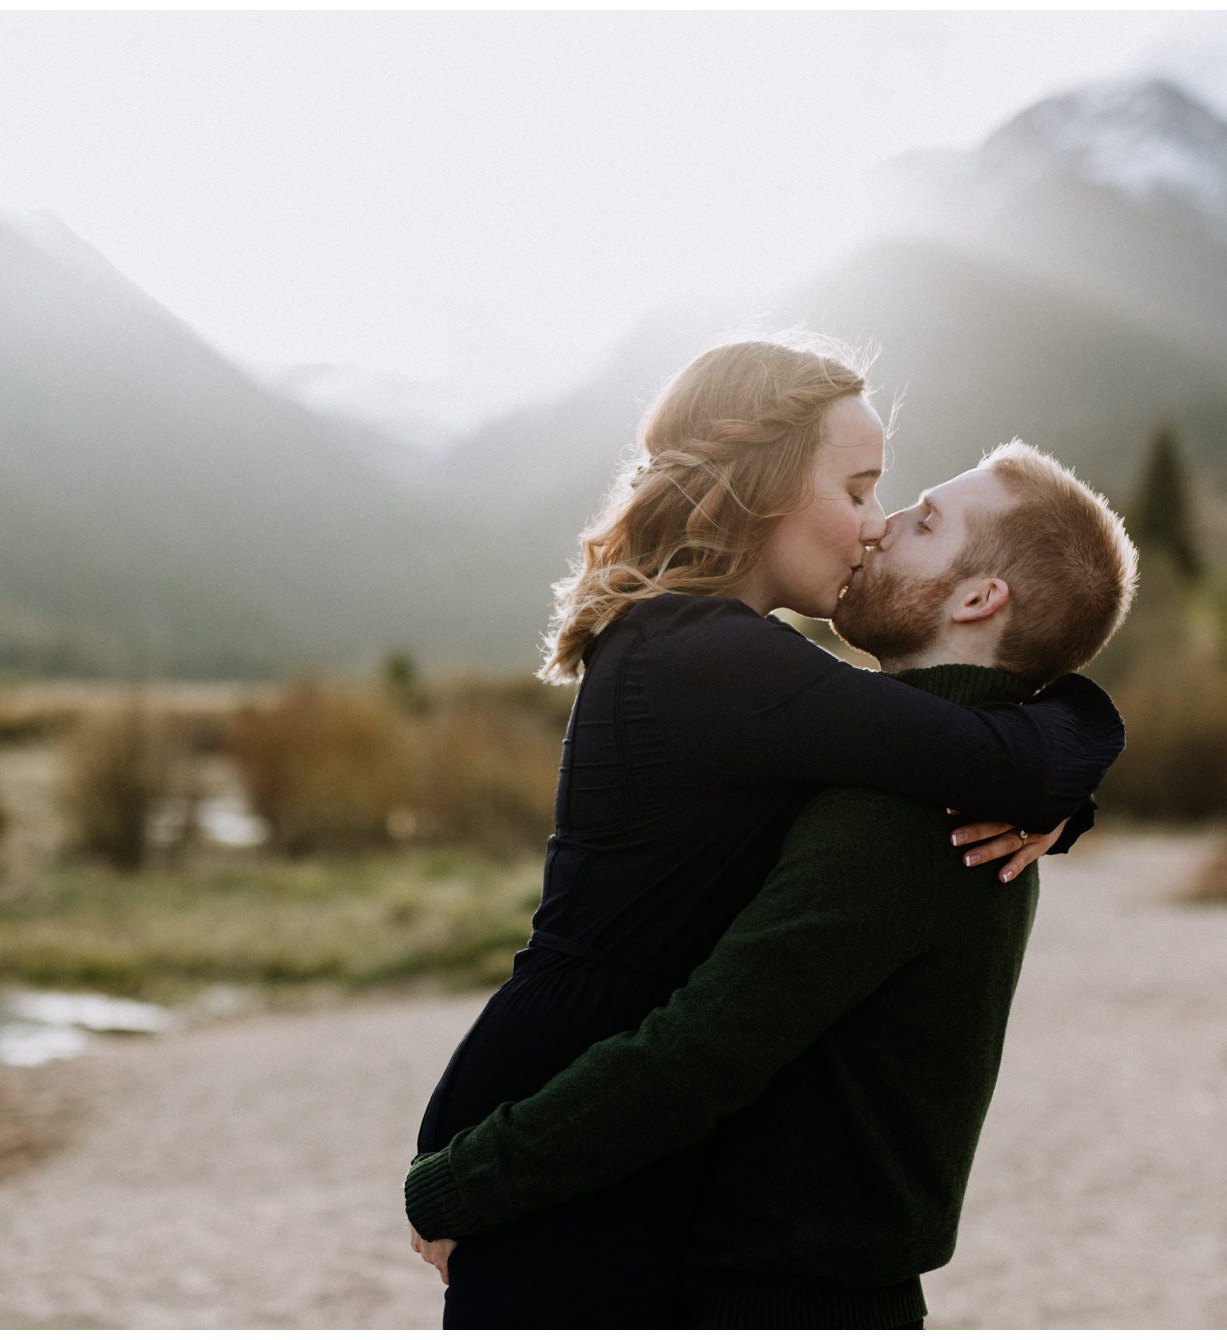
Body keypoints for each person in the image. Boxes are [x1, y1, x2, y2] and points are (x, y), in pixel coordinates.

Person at [409, 338, 1126, 1327]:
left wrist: (1054, 785)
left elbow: (958, 749)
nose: (874, 526)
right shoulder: (713, 656)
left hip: (601, 1100)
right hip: (564, 1094)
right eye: (862, 489)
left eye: (895, 503)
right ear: (767, 487)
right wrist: (1070, 763)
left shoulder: (731, 654)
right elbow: (989, 756)